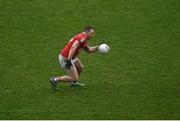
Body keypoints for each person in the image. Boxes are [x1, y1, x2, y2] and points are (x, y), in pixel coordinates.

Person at [49, 26, 100, 90]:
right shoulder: (82, 37)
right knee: (74, 78)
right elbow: (73, 47)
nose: (93, 35)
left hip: (72, 57)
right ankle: (55, 79)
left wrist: (98, 47)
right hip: (65, 58)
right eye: (92, 33)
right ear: (87, 32)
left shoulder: (84, 39)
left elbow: (88, 50)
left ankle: (74, 83)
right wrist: (69, 60)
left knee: (80, 67)